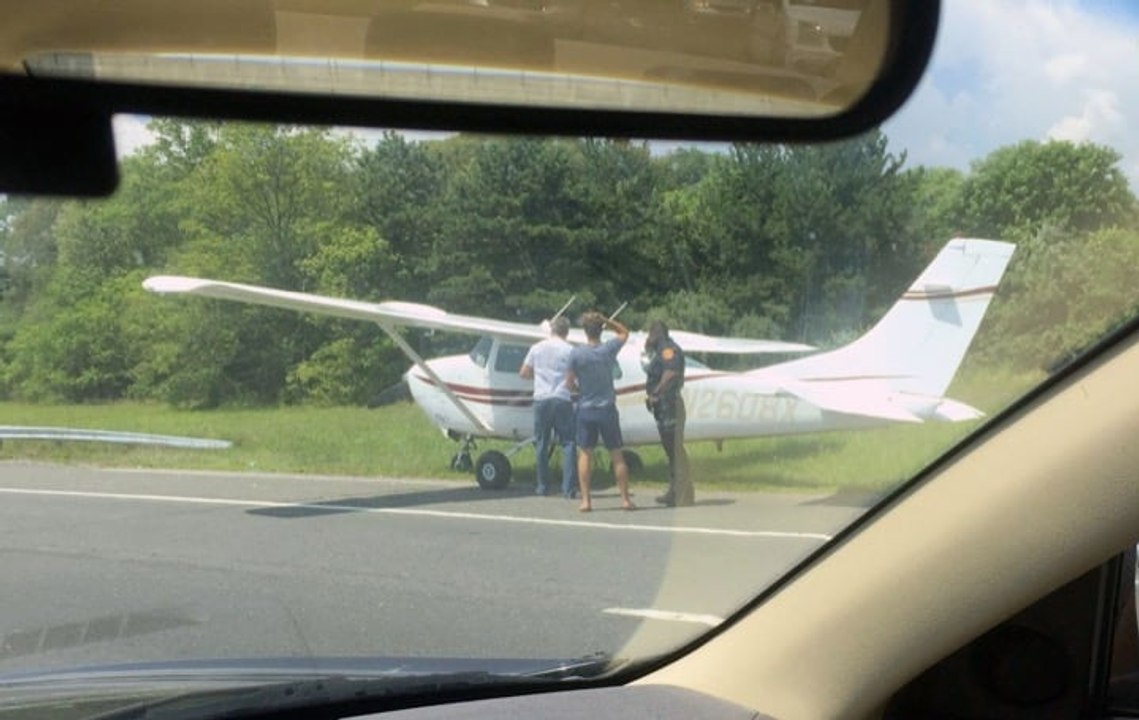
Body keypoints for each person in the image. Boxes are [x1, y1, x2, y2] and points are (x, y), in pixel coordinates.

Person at [566, 311, 635, 512]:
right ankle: (624, 499)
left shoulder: (576, 353)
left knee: (585, 454)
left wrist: (579, 389)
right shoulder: (608, 350)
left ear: (585, 332)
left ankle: (586, 501)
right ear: (600, 330)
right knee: (617, 455)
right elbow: (624, 332)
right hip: (607, 408)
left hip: (586, 408)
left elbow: (569, 384)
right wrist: (606, 319)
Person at [519, 316, 576, 497]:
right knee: (568, 443)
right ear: (566, 332)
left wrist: (540, 376)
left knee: (542, 443)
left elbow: (524, 373)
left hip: (542, 399)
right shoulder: (571, 351)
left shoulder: (536, 348)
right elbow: (573, 380)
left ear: (551, 330)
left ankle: (543, 487)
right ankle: (568, 489)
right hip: (562, 398)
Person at [644, 320, 692, 506]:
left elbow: (670, 372)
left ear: (656, 333)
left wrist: (656, 392)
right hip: (665, 407)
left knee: (674, 450)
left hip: (669, 405)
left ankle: (682, 493)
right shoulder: (661, 350)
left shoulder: (667, 350)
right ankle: (676, 491)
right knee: (672, 451)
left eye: (650, 334)